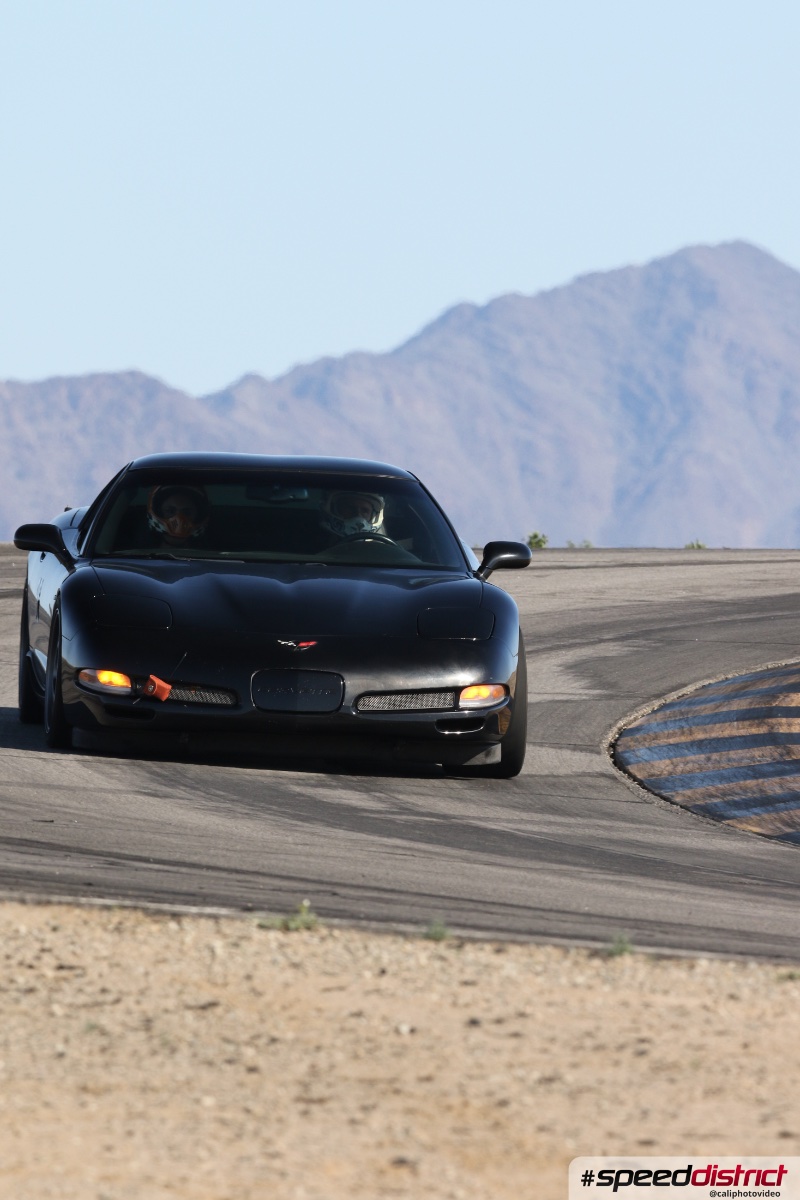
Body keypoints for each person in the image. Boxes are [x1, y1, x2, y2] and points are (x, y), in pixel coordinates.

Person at [319, 491, 386, 541]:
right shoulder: (313, 546)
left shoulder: (380, 551)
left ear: (373, 516)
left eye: (365, 511)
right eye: (350, 508)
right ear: (334, 510)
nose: (358, 515)